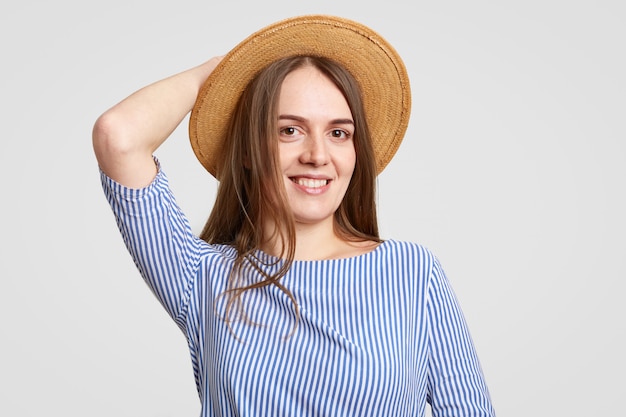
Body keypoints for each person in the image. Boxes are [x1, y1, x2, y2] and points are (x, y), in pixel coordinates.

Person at [93, 14, 495, 417]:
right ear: (249, 151)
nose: (317, 156)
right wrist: (219, 72)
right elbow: (118, 136)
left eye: (338, 133)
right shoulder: (203, 279)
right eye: (289, 130)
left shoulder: (412, 273)